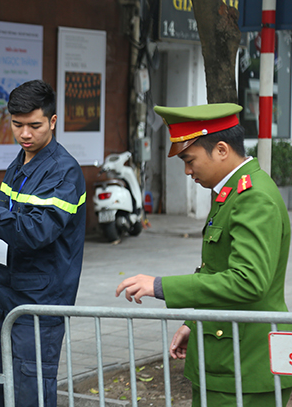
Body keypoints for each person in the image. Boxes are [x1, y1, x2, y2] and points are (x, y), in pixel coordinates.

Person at [116, 103, 292, 406]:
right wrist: (195, 323)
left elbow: (248, 281)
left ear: (221, 150)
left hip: (245, 364)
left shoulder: (253, 197)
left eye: (189, 159)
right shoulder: (232, 192)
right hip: (228, 355)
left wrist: (160, 286)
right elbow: (216, 269)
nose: (187, 171)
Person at [0, 80, 87, 407]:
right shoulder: (20, 162)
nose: (24, 134)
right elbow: (9, 212)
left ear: (52, 121)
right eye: (17, 125)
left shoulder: (63, 171)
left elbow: (37, 230)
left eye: (34, 126)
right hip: (6, 291)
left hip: (39, 300)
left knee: (29, 389)